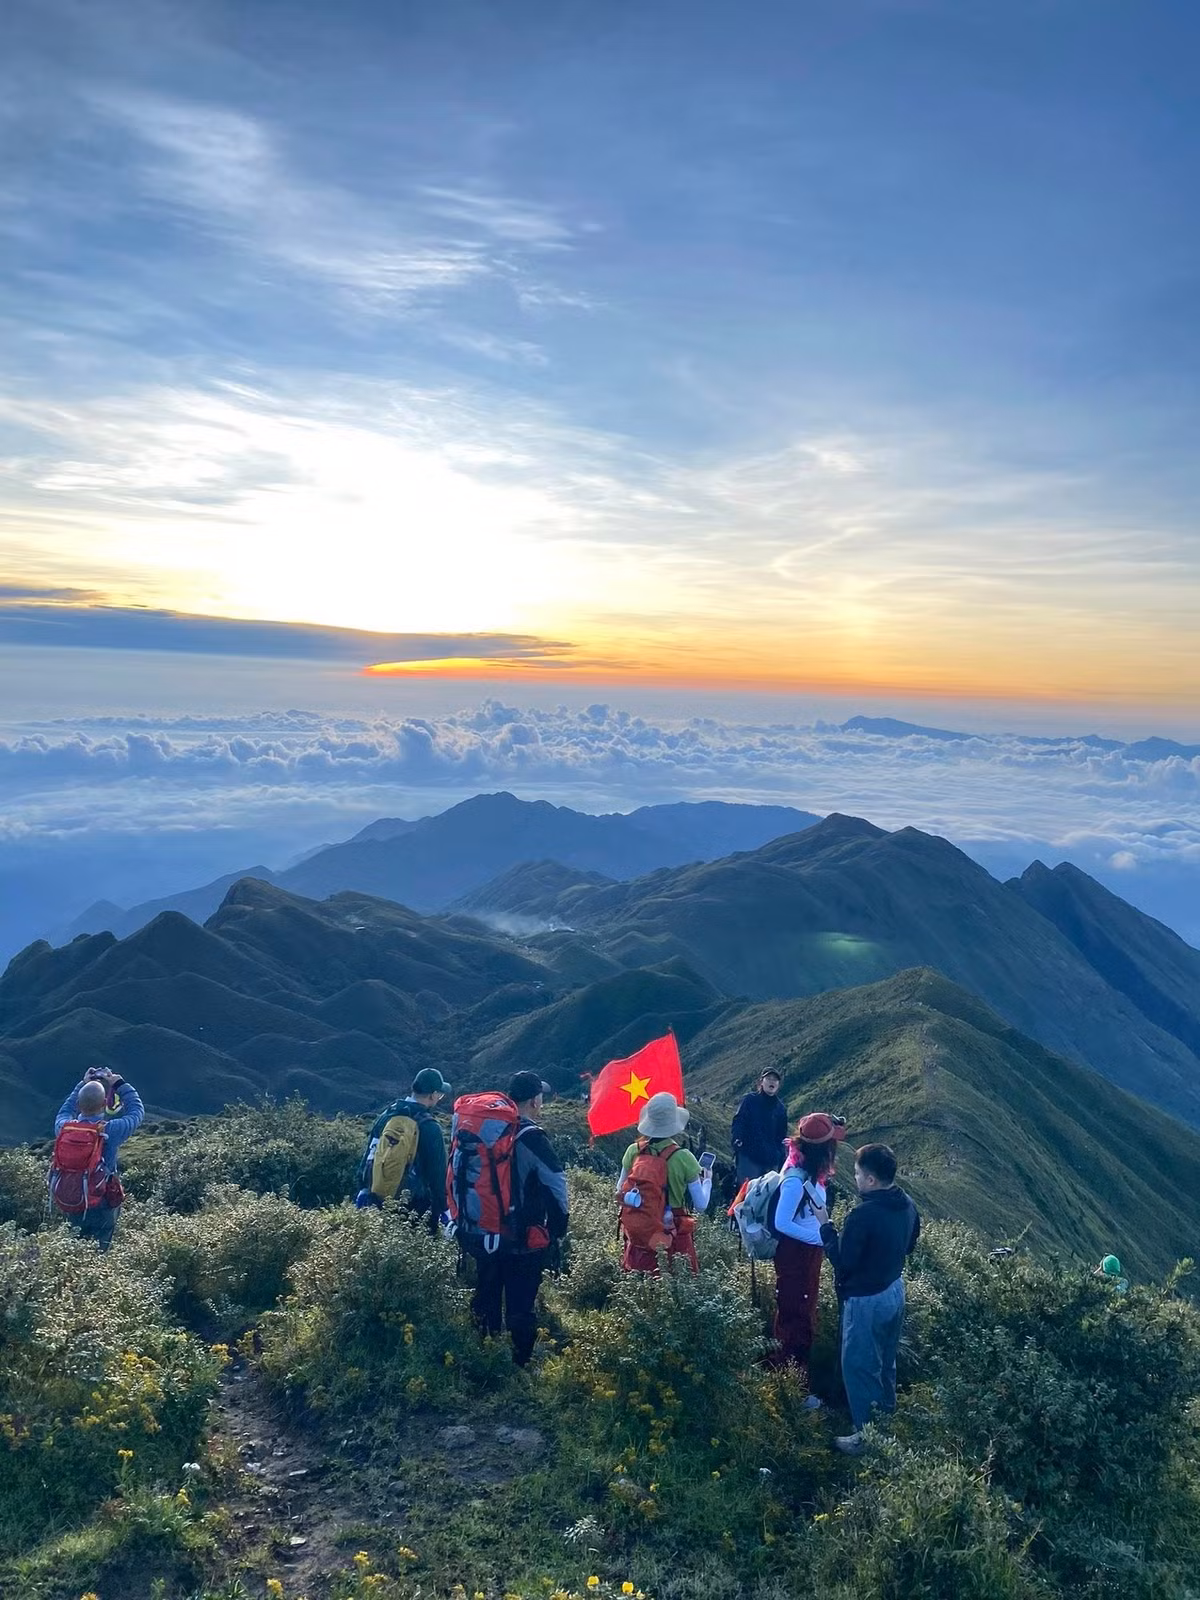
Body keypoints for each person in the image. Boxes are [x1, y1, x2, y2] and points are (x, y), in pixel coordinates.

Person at [811, 1142, 920, 1455]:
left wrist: (825, 1226)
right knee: (885, 1360)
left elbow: (844, 1261)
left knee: (858, 1365)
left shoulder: (863, 1214)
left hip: (866, 1299)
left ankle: (867, 1438)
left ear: (871, 1180)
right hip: (894, 1290)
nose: (855, 1178)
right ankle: (885, 1417)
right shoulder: (907, 1203)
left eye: (858, 1174)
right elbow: (910, 1245)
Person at [466, 1071, 569, 1367]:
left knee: (486, 1292)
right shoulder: (532, 1137)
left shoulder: (488, 1130)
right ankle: (518, 1365)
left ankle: (483, 1355)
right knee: (520, 1302)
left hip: (483, 1230)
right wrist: (558, 1226)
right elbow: (556, 1183)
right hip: (522, 1235)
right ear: (535, 1100)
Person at [770, 1112, 848, 1404]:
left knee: (801, 1315)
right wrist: (819, 1238)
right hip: (796, 1257)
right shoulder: (795, 1179)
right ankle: (794, 1390)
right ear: (822, 1149)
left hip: (806, 1254)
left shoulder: (808, 1169)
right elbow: (781, 1222)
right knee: (797, 1319)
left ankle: (789, 1379)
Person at [617, 1091, 712, 1273]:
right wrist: (707, 1181)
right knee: (678, 1283)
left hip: (640, 1230)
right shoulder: (683, 1157)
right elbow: (701, 1205)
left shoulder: (633, 1151)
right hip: (672, 1231)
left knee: (639, 1284)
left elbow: (620, 1190)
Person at [52, 1067, 145, 1250]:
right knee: (99, 1252)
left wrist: (83, 1084)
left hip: (72, 1199)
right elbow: (137, 1112)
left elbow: (64, 1110)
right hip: (101, 1201)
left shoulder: (63, 1128)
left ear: (78, 1105)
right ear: (104, 1104)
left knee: (74, 1248)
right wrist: (119, 1084)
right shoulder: (109, 1130)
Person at [354, 1067, 451, 1231]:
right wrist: (444, 1209)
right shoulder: (429, 1126)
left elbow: (369, 1156)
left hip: (376, 1202)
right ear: (433, 1095)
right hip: (416, 1208)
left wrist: (364, 1190)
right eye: (439, 1095)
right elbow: (438, 1175)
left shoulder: (387, 1115)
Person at [731, 1069, 789, 1183]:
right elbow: (739, 1121)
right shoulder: (750, 1100)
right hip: (749, 1157)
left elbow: (781, 1135)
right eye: (768, 1079)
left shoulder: (781, 1108)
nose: (772, 1082)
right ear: (761, 1082)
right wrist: (737, 1139)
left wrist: (780, 1155)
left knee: (768, 1195)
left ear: (778, 1085)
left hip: (771, 1161)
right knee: (746, 1193)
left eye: (775, 1080)